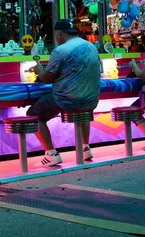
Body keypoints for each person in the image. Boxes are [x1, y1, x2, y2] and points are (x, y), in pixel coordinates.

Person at [28, 19, 100, 167]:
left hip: (68, 100)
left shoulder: (60, 51)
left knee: (33, 115)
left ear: (59, 33)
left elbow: (48, 78)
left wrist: (39, 70)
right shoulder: (91, 46)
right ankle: (85, 148)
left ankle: (51, 154)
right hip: (91, 100)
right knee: (82, 111)